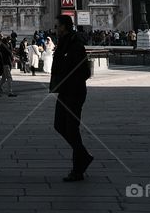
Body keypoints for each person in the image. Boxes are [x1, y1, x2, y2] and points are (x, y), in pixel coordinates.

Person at [50, 15, 94, 182]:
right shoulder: (63, 43)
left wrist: (70, 81)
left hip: (74, 93)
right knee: (59, 125)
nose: (55, 29)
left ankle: (78, 169)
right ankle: (83, 156)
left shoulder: (75, 44)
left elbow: (85, 71)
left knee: (72, 129)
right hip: (65, 92)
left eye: (57, 26)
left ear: (64, 27)